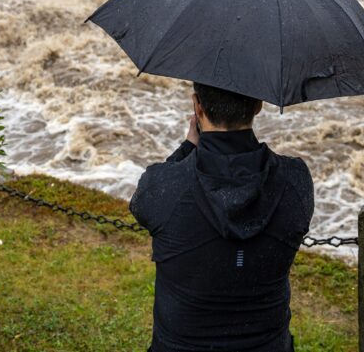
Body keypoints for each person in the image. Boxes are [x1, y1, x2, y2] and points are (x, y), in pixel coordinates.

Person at [130, 82, 314, 352]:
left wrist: (188, 147)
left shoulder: (163, 187)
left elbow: (145, 202)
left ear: (198, 106)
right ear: (259, 104)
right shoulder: (296, 181)